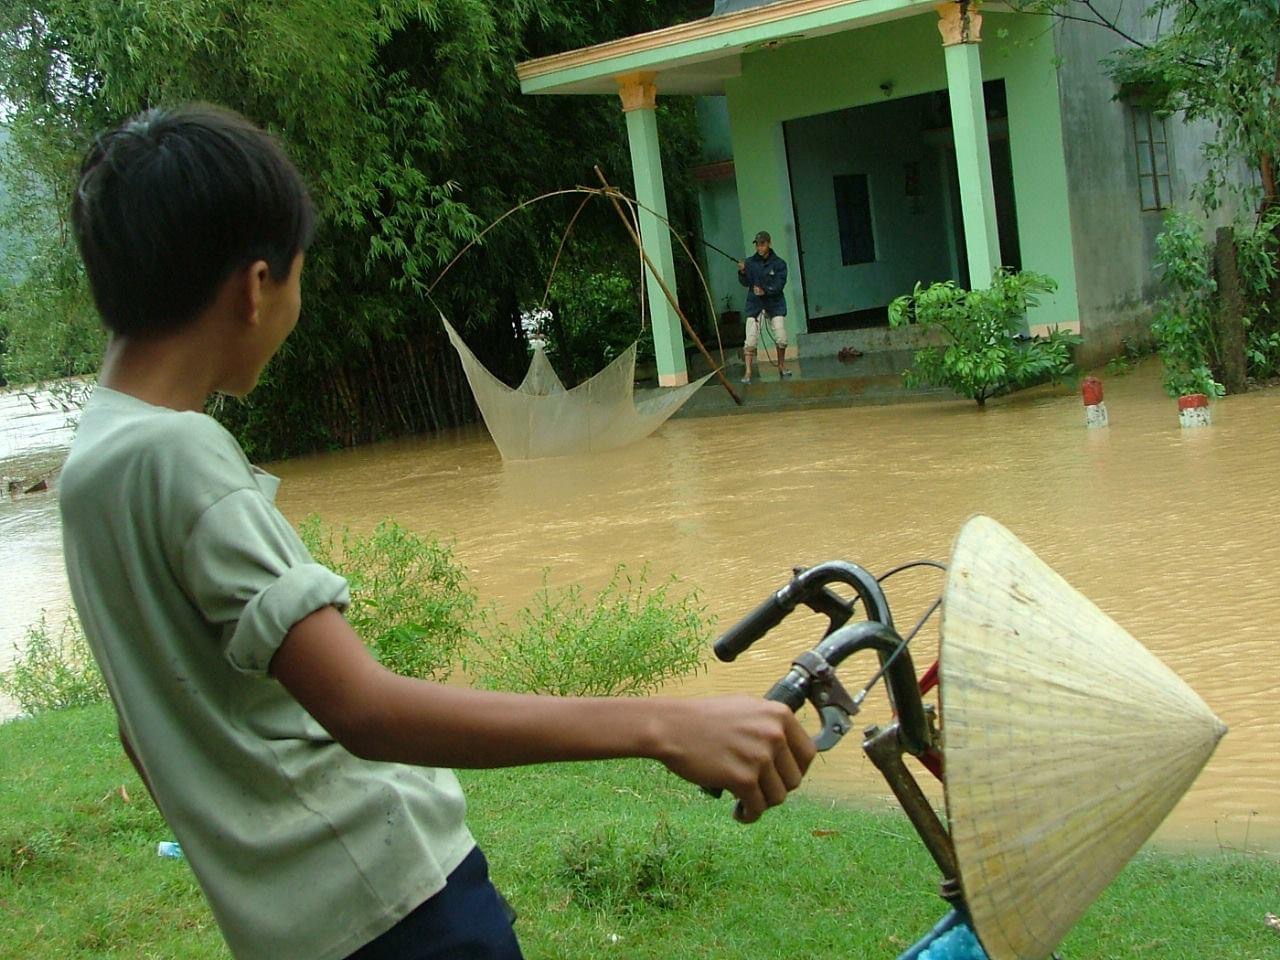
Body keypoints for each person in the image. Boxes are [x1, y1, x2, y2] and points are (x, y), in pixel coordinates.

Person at [59, 103, 815, 960]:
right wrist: (664, 726)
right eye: (301, 278)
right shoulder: (179, 454)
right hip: (397, 910)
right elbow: (367, 711)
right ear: (257, 284)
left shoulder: (92, 462)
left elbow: (143, 733)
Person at [736, 231, 790, 384]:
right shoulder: (750, 262)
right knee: (750, 340)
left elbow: (779, 284)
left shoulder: (779, 263)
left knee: (781, 337)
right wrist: (742, 271)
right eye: (757, 245)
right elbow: (745, 282)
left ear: (769, 243)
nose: (759, 247)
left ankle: (781, 365)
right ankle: (748, 372)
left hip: (775, 303)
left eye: (762, 244)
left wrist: (765, 290)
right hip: (755, 304)